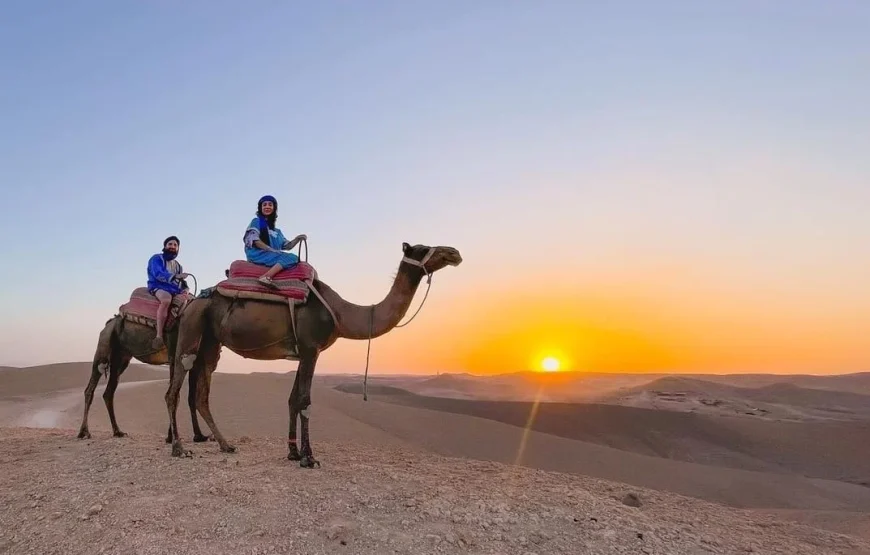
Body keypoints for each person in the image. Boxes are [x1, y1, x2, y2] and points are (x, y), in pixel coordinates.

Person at [243, 195, 307, 287]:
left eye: (270, 205)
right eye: (264, 205)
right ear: (260, 208)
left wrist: (297, 238)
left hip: (272, 255)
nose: (267, 207)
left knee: (294, 260)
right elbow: (254, 240)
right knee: (293, 258)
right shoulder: (256, 222)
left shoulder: (277, 232)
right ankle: (266, 276)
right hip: (259, 253)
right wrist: (270, 249)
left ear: (274, 208)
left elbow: (287, 246)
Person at [146, 235, 189, 349]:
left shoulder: (179, 266)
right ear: (165, 246)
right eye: (170, 244)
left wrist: (184, 287)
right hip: (158, 285)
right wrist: (176, 276)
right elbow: (158, 274)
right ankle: (159, 335)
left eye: (175, 245)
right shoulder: (156, 259)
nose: (172, 246)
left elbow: (178, 281)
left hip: (174, 289)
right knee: (166, 300)